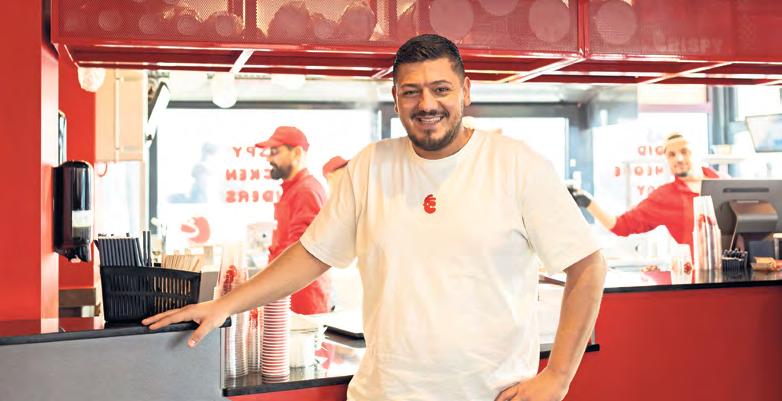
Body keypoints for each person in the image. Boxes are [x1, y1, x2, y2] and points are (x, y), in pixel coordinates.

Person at [144, 34, 607, 401]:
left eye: (441, 89)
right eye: (412, 91)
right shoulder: (371, 166)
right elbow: (311, 254)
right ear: (396, 97)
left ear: (466, 91)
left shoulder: (517, 165)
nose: (427, 104)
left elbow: (587, 265)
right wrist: (226, 305)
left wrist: (558, 375)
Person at [570, 132, 721, 253]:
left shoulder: (725, 183)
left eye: (684, 151)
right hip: (698, 278)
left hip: (734, 270)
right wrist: (589, 203)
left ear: (696, 153)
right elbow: (620, 226)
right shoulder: (665, 197)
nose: (679, 159)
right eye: (671, 155)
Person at [255, 126, 332, 315]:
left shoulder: (306, 191)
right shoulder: (294, 189)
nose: (269, 158)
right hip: (289, 291)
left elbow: (301, 254)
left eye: (275, 151)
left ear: (296, 153)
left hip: (302, 297)